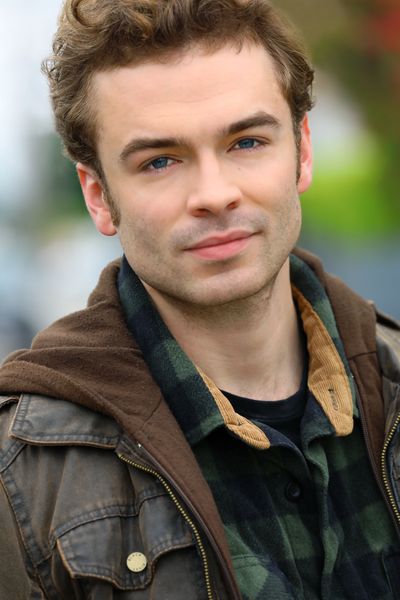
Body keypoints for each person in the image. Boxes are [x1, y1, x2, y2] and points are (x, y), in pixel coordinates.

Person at [0, 0, 399, 598]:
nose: (214, 194)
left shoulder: (394, 383)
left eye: (247, 142)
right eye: (160, 161)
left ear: (302, 151)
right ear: (99, 196)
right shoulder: (22, 478)